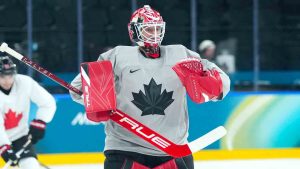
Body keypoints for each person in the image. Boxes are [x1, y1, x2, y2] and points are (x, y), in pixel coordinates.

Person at [70, 5, 230, 169]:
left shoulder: (182, 54)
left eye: (157, 29)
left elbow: (223, 82)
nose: (154, 35)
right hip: (125, 149)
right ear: (134, 31)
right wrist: (95, 98)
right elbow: (77, 88)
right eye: (148, 30)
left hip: (174, 151)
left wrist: (213, 84)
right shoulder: (116, 57)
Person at [0, 56, 56, 169]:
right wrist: (3, 145)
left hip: (19, 137)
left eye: (10, 75)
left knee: (31, 165)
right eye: (2, 76)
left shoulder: (25, 82)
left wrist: (40, 121)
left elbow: (48, 102)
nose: (7, 80)